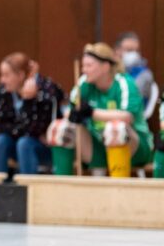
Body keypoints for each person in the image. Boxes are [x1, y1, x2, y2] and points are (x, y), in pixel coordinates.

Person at [47, 43, 154, 177]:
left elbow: (127, 117)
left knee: (115, 129)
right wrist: (74, 114)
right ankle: (62, 184)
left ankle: (119, 185)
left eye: (89, 66)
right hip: (98, 146)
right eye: (83, 66)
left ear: (105, 66)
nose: (84, 70)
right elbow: (68, 111)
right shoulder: (85, 83)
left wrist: (92, 113)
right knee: (59, 128)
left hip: (134, 148)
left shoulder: (124, 83)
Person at [0, 53, 63, 174]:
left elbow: (34, 128)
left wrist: (28, 101)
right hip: (17, 144)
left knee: (24, 143)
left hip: (43, 149)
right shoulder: (4, 90)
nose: (2, 80)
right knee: (0, 141)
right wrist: (20, 130)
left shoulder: (44, 89)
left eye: (6, 75)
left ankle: (28, 184)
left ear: (20, 75)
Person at [114, 31, 156, 110]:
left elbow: (132, 101)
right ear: (117, 50)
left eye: (136, 51)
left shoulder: (144, 74)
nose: (134, 54)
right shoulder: (108, 69)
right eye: (129, 50)